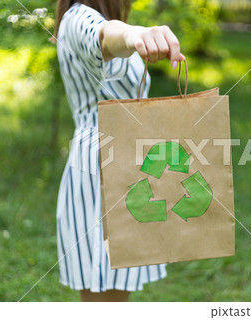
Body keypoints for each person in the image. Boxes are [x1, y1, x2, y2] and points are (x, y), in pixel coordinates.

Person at [53, 0, 185, 302]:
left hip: (119, 167)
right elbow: (105, 35)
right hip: (100, 173)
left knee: (114, 296)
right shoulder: (78, 16)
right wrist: (134, 34)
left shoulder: (86, 17)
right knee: (104, 299)